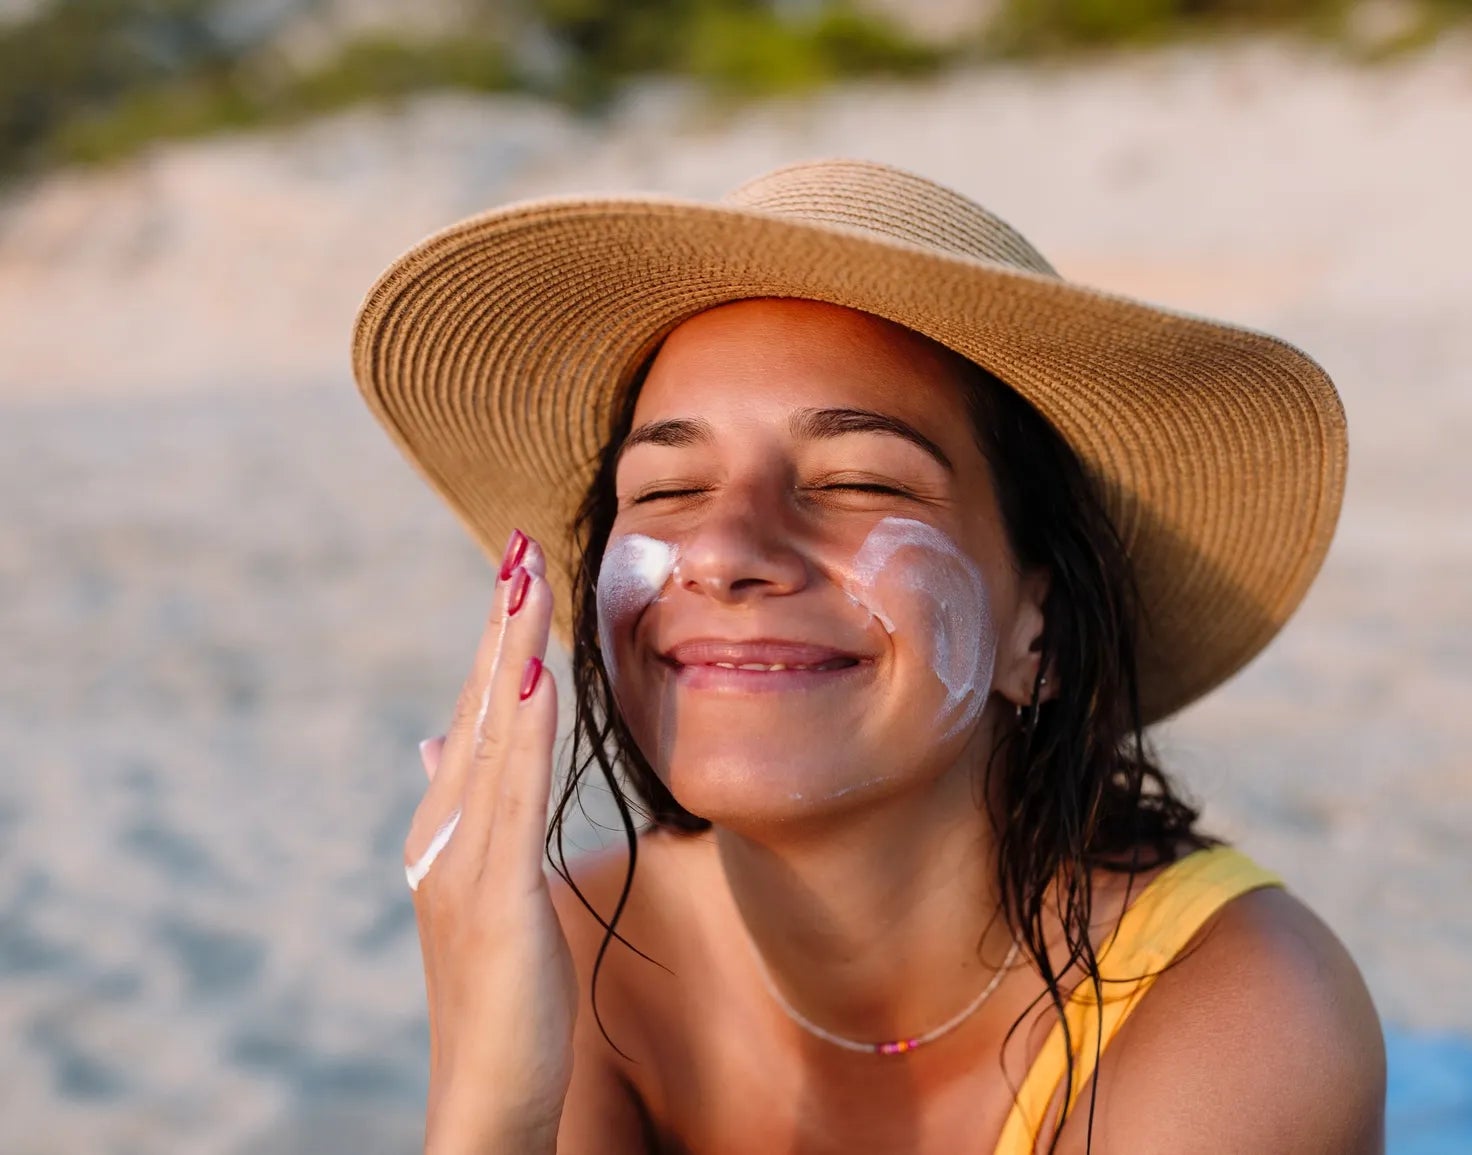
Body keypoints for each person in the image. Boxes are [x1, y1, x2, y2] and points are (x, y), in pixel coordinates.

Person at [355, 159, 1385, 1154]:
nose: (723, 551)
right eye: (666, 491)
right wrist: (492, 1096)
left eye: (857, 482)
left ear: (1042, 630)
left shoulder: (1241, 1015)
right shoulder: (586, 957)